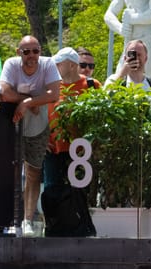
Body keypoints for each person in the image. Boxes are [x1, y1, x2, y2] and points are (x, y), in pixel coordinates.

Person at [0, 36, 61, 237]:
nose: (32, 55)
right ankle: (10, 219)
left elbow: (54, 94)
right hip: (12, 125)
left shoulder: (48, 64)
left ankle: (27, 220)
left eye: (35, 51)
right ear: (19, 53)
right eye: (26, 52)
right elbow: (5, 92)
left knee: (34, 173)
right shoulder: (10, 64)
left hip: (38, 127)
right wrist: (30, 100)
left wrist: (27, 104)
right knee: (11, 173)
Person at [41, 46, 98, 237]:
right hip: (53, 149)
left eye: (59, 63)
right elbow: (41, 115)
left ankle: (82, 228)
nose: (55, 66)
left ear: (71, 65)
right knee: (51, 188)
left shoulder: (92, 86)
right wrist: (42, 140)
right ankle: (54, 228)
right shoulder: (50, 86)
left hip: (81, 150)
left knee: (80, 191)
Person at [104, 0, 151, 82]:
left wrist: (132, 18)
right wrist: (121, 28)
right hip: (130, 41)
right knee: (120, 76)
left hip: (149, 40)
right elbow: (109, 14)